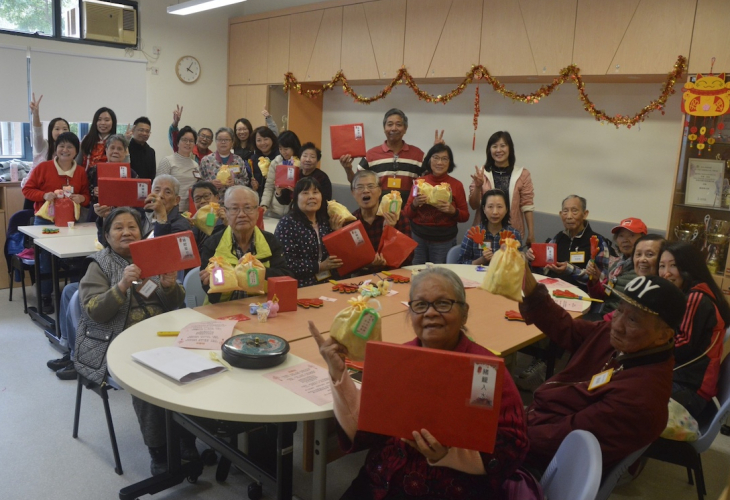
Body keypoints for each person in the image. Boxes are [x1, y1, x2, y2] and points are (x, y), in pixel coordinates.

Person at [309, 266, 528, 499]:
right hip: (381, 480)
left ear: (464, 313)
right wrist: (338, 373)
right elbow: (365, 430)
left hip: (452, 488)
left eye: (443, 303)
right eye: (420, 305)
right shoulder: (398, 360)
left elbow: (512, 445)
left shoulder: (482, 369)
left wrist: (450, 454)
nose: (430, 313)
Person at [520, 262, 687, 472]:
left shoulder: (641, 396)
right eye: (619, 310)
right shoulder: (628, 344)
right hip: (543, 422)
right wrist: (532, 290)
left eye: (634, 319)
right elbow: (569, 329)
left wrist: (509, 432)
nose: (617, 325)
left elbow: (565, 437)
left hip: (553, 463)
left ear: (663, 335)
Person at [72, 207, 191, 476]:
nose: (126, 232)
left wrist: (169, 286)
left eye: (132, 227)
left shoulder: (150, 255)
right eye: (118, 228)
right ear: (107, 234)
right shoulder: (98, 264)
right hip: (115, 341)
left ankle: (186, 437)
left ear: (142, 231)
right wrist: (121, 286)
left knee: (193, 367)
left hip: (160, 334)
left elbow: (175, 302)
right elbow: (93, 312)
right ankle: (158, 449)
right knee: (149, 381)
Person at [659, 242, 730, 419]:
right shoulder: (688, 293)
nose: (666, 272)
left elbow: (683, 345)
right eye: (662, 266)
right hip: (687, 383)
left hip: (690, 390)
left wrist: (647, 342)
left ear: (688, 266)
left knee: (628, 392)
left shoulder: (696, 297)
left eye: (673, 265)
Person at [22, 132, 90, 313]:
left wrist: (81, 197)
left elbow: (87, 197)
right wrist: (43, 195)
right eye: (61, 146)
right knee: (45, 258)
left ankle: (74, 294)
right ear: (56, 148)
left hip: (70, 223)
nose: (65, 150)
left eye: (69, 147)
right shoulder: (43, 168)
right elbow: (27, 190)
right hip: (44, 220)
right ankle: (45, 296)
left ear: (76, 151)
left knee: (78, 256)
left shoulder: (81, 172)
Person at [199, 186, 292, 303]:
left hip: (261, 308)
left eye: (248, 208)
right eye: (234, 209)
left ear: (258, 212)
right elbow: (211, 292)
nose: (241, 214)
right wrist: (221, 278)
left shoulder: (270, 240)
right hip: (224, 309)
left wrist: (254, 271)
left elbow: (285, 276)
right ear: (226, 213)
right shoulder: (213, 243)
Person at [339, 109, 426, 200]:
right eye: (390, 124)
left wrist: (435, 152)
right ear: (384, 128)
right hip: (378, 210)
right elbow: (356, 182)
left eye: (399, 124)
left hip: (409, 210)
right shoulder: (371, 155)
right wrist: (348, 168)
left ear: (405, 129)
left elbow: (431, 181)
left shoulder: (418, 155)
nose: (394, 128)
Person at [403, 144, 469, 265]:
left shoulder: (456, 185)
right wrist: (415, 204)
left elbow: (465, 216)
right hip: (418, 238)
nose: (440, 162)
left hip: (444, 240)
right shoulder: (419, 182)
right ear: (429, 160)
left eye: (444, 159)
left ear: (450, 162)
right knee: (417, 274)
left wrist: (453, 211)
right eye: (436, 157)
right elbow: (407, 212)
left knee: (440, 276)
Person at [469, 131, 535, 243]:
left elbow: (527, 205)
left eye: (503, 146)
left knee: (509, 259)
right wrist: (478, 187)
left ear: (510, 148)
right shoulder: (482, 173)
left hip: (512, 233)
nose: (498, 150)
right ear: (489, 150)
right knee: (485, 258)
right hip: (484, 234)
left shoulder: (522, 174)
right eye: (494, 146)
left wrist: (531, 233)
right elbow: (474, 205)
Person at [275, 178, 342, 287]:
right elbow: (286, 262)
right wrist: (319, 266)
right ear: (296, 198)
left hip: (329, 282)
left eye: (315, 192)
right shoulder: (287, 223)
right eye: (305, 193)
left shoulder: (326, 221)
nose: (312, 196)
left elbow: (337, 258)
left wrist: (337, 234)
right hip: (300, 285)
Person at [542, 195, 612, 289]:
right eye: (565, 211)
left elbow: (602, 279)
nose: (569, 216)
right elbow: (545, 268)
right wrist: (533, 258)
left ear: (585, 214)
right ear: (560, 214)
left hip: (582, 297)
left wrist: (570, 270)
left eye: (574, 211)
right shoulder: (558, 238)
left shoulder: (597, 242)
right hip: (554, 291)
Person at [350, 170, 412, 272]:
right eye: (360, 187)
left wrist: (391, 231)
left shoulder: (397, 216)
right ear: (353, 193)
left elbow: (408, 258)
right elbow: (350, 262)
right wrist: (367, 265)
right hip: (363, 278)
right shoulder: (351, 221)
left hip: (393, 274)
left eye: (370, 186)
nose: (366, 191)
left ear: (379, 191)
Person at [586, 217, 648, 313]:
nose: (625, 240)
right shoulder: (617, 265)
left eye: (631, 235)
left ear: (643, 240)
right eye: (621, 236)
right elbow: (603, 296)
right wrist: (595, 280)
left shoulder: (644, 270)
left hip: (618, 321)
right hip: (604, 314)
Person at [458, 189, 533, 265]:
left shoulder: (513, 235)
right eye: (490, 206)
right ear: (484, 209)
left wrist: (525, 258)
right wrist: (481, 260)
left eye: (499, 207)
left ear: (506, 209)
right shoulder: (473, 233)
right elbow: (461, 263)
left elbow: (518, 264)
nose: (495, 212)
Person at [21, 93, 70, 199]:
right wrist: (36, 115)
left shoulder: (69, 151)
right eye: (57, 129)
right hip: (35, 192)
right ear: (50, 131)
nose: (61, 132)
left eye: (65, 129)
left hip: (56, 194)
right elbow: (37, 132)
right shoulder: (43, 146)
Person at [77, 107, 117, 209]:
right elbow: (78, 162)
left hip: (108, 185)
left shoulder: (116, 141)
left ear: (113, 122)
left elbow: (123, 166)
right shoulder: (87, 139)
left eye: (107, 120)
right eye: (99, 119)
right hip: (86, 183)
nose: (102, 123)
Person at [157, 126, 202, 212]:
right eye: (184, 140)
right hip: (169, 209)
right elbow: (158, 188)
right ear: (177, 143)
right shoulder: (167, 161)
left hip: (189, 211)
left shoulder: (196, 165)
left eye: (191, 141)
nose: (188, 143)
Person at [199, 127, 250, 202]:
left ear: (232, 142)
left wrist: (234, 182)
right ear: (216, 141)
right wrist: (210, 183)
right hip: (212, 203)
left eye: (226, 140)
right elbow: (198, 182)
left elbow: (246, 181)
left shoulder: (238, 160)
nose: (223, 142)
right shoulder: (206, 160)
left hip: (234, 202)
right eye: (220, 139)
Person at [260, 130, 301, 216]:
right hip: (275, 210)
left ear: (294, 147)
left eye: (286, 149)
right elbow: (269, 186)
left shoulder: (301, 163)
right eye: (280, 149)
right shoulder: (276, 162)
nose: (283, 152)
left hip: (295, 211)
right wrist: (264, 204)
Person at [188, 181, 226, 248]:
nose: (202, 201)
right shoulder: (194, 223)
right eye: (197, 199)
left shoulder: (226, 219)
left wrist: (228, 225)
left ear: (217, 198)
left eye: (206, 196)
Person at [250, 126, 279, 199]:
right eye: (259, 140)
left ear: (272, 139)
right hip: (259, 198)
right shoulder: (253, 159)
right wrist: (254, 186)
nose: (262, 143)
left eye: (266, 139)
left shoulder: (279, 158)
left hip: (277, 197)